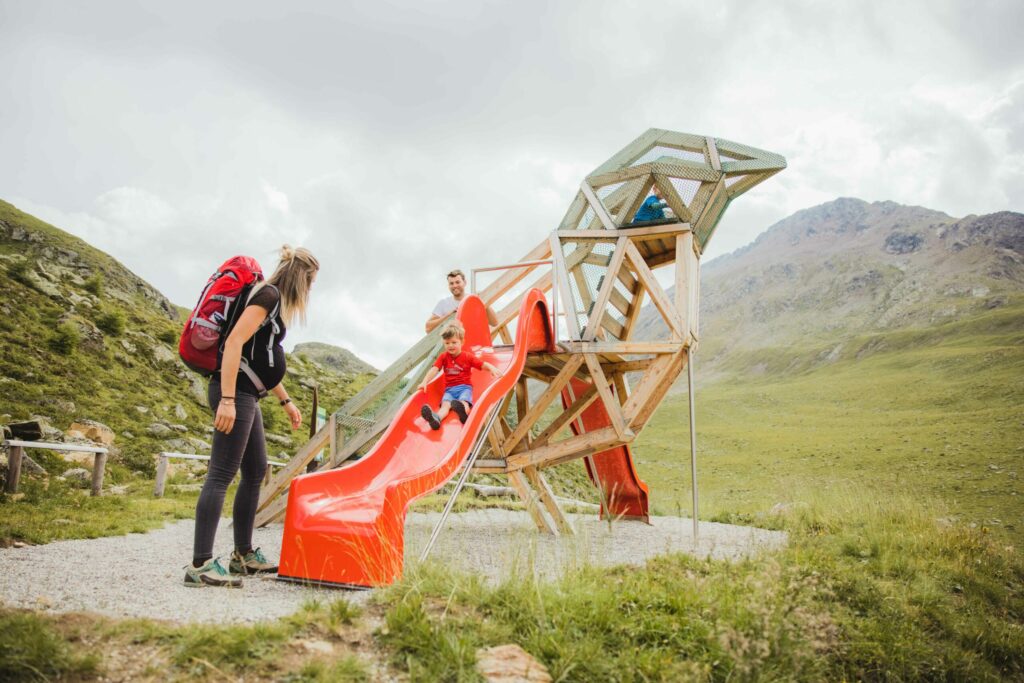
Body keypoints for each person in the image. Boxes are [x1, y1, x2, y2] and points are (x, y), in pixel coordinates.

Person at [184, 245, 320, 587]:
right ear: (301, 278)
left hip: (248, 395)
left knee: (255, 469)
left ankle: (242, 554)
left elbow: (258, 355)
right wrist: (227, 400)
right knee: (221, 474)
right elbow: (233, 344)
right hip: (235, 394)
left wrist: (286, 400)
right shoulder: (269, 295)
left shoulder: (270, 300)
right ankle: (199, 565)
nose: (311, 291)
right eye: (311, 282)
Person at [418, 320, 502, 430]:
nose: (450, 346)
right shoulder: (443, 357)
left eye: (454, 342)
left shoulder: (467, 357)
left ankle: (464, 414)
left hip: (464, 388)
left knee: (464, 402)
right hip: (449, 390)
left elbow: (481, 364)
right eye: (447, 343)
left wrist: (491, 367)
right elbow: (434, 369)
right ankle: (436, 418)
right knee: (445, 406)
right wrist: (424, 381)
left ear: (461, 342)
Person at [425, 269, 467, 334]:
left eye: (457, 282)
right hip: (451, 343)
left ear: (465, 283)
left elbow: (488, 322)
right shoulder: (443, 303)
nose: (454, 285)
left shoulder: (473, 299)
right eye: (451, 283)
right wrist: (449, 315)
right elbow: (428, 328)